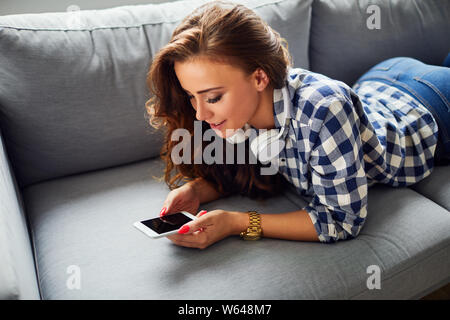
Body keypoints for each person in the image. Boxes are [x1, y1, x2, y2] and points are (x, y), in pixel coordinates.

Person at [145, 0, 449, 249]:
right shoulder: (238, 114)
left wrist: (236, 222)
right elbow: (249, 173)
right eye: (190, 97)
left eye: (211, 98)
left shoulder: (324, 110)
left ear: (260, 78)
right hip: (380, 79)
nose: (199, 115)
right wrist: (198, 190)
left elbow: (341, 221)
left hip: (431, 106)